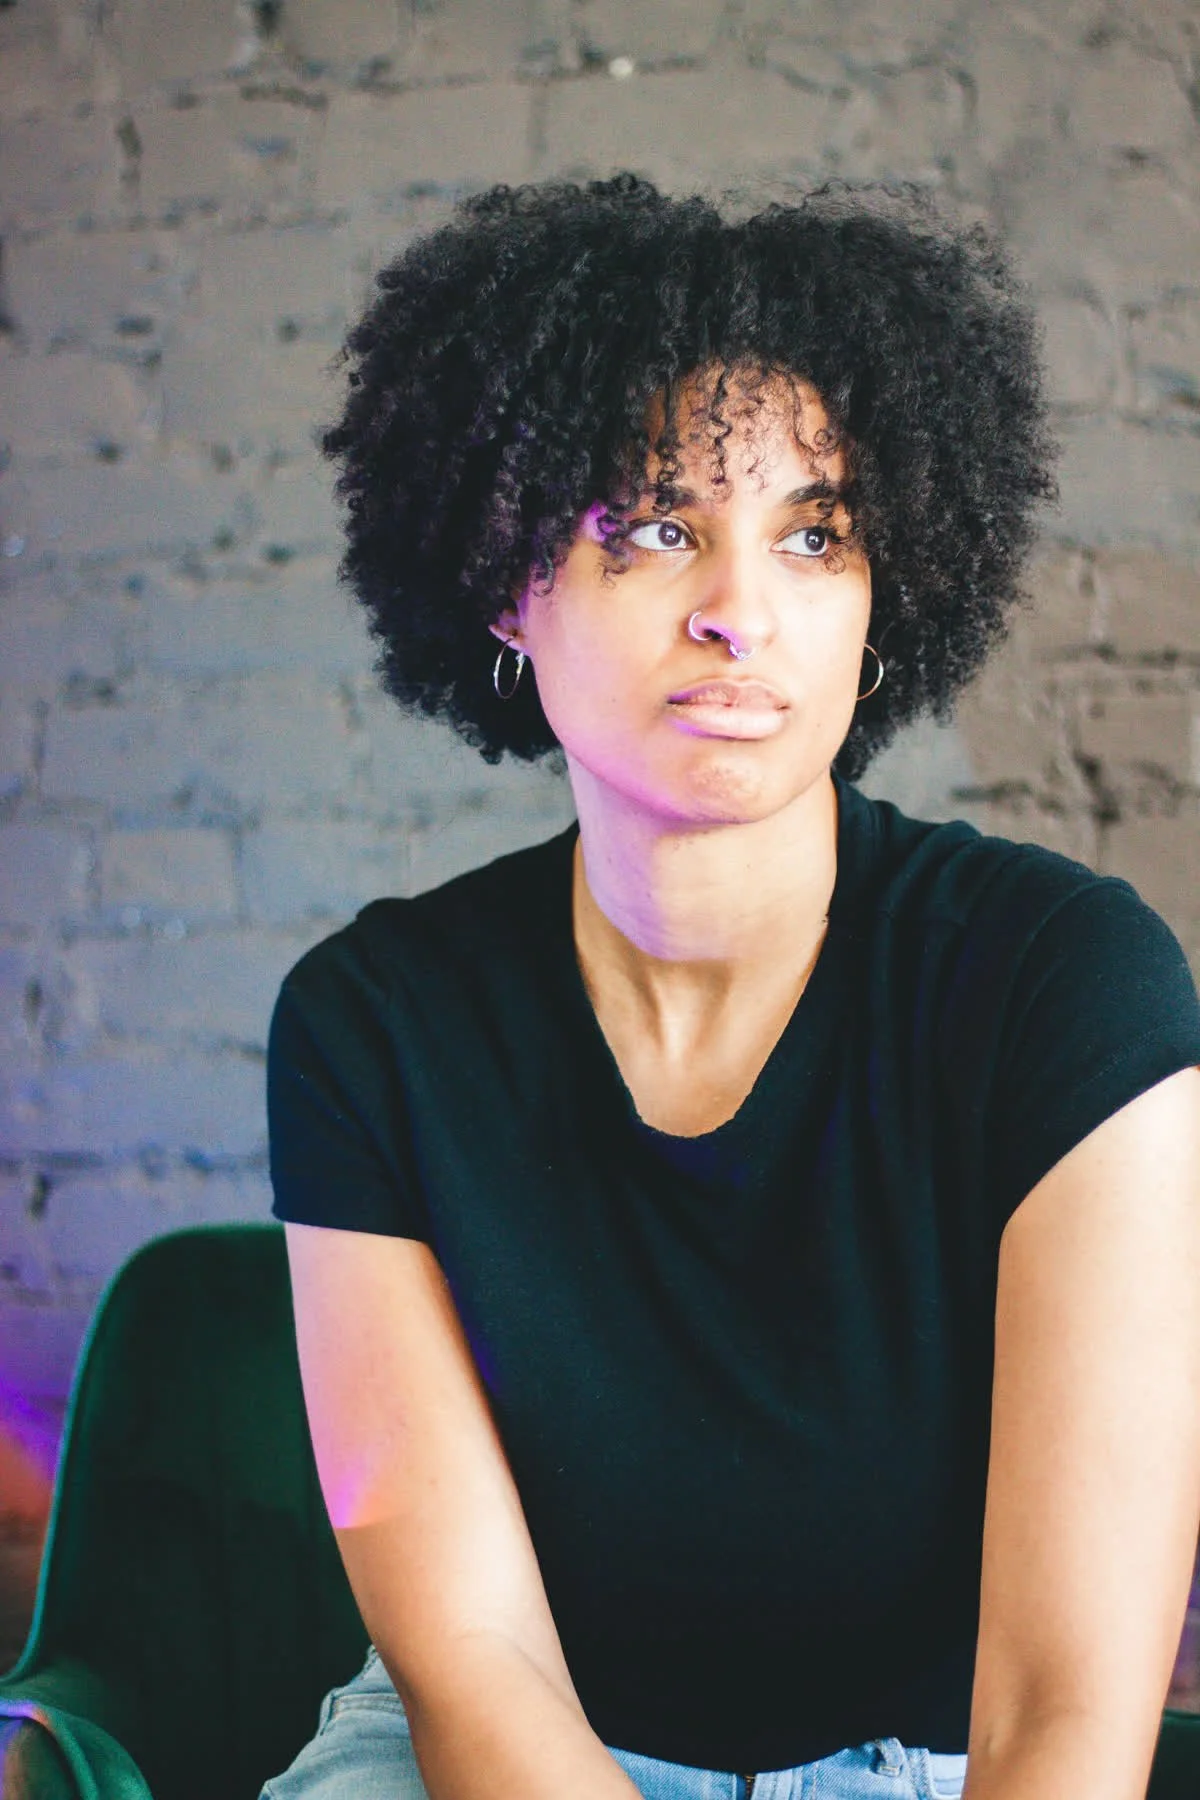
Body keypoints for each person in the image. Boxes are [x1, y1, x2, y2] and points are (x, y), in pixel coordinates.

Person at [260, 175, 1200, 1800]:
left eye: (814, 534)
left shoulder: (1065, 987)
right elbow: (473, 1664)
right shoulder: (376, 1027)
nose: (739, 615)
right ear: (501, 576)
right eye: (652, 528)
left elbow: (1063, 1704)